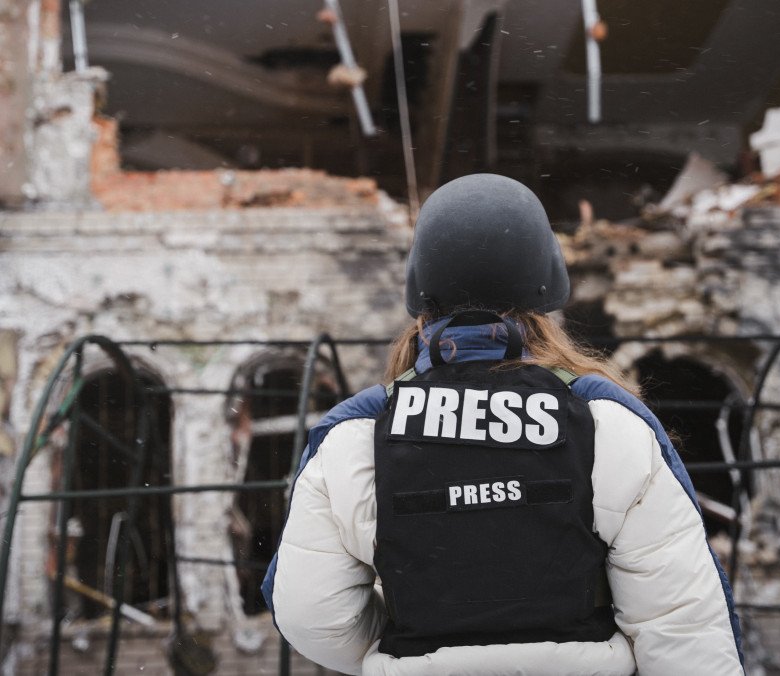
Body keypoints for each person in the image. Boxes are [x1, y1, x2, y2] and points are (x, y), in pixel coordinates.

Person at [262, 173, 743, 675]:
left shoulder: (356, 435)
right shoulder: (605, 422)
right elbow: (684, 622)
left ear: (420, 295)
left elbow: (311, 615)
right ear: (546, 291)